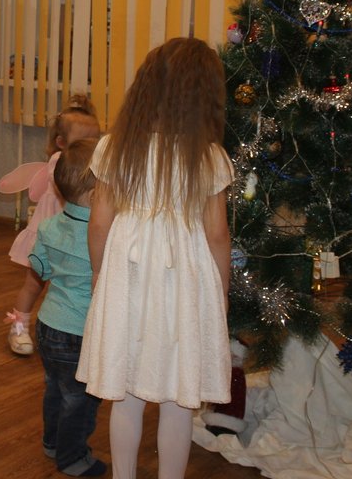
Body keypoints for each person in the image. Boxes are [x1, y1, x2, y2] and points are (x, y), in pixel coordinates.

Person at [76, 37, 234, 479]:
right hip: (185, 281)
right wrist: (221, 294)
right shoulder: (210, 157)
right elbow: (217, 234)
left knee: (125, 396)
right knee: (177, 400)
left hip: (126, 275)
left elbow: (99, 223)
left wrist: (99, 274)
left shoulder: (115, 147)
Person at [29, 137, 107, 477]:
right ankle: (73, 457)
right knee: (81, 400)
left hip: (48, 325)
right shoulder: (105, 234)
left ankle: (52, 442)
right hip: (80, 332)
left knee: (55, 390)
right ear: (96, 193)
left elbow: (40, 267)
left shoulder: (48, 226)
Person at [2, 96, 100, 356]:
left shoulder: (93, 167)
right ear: (61, 143)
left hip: (71, 239)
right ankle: (18, 328)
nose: (90, 147)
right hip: (49, 238)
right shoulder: (61, 162)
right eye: (83, 141)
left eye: (95, 140)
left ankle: (69, 327)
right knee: (33, 285)